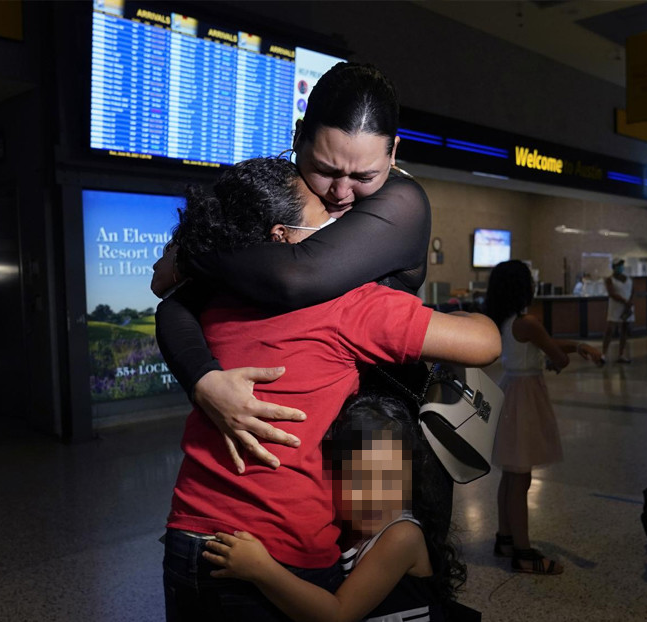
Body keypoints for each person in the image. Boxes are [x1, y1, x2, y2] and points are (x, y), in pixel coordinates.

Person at [161, 157, 500, 621]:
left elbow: (169, 305)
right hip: (278, 550)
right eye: (324, 214)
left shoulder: (215, 297)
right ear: (283, 238)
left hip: (188, 535)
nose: (340, 222)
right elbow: (485, 342)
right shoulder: (348, 305)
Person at [153, 62, 432, 476]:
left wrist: (190, 254)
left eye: (364, 176)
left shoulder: (402, 205)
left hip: (374, 448)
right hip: (287, 455)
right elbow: (177, 305)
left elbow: (295, 277)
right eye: (325, 169)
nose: (341, 193)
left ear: (393, 153)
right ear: (298, 135)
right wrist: (203, 382)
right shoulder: (275, 200)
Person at [203, 393, 466, 622]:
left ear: (411, 480)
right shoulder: (343, 529)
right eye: (358, 479)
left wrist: (261, 570)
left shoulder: (403, 537)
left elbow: (338, 615)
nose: (373, 496)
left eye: (390, 480)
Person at [484, 260, 601, 575]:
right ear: (525, 287)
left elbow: (542, 345)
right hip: (525, 397)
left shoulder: (507, 321)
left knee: (511, 473)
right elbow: (553, 353)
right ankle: (523, 552)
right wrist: (566, 356)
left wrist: (578, 346)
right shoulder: (528, 321)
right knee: (521, 476)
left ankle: (505, 537)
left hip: (511, 390)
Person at [602, 258, 634, 364]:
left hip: (627, 308)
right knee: (610, 330)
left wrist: (630, 303)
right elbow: (611, 293)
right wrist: (625, 301)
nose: (621, 267)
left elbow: (633, 292)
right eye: (618, 265)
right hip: (615, 307)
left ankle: (621, 354)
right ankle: (603, 354)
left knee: (625, 330)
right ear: (614, 267)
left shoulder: (628, 279)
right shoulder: (610, 279)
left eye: (621, 265)